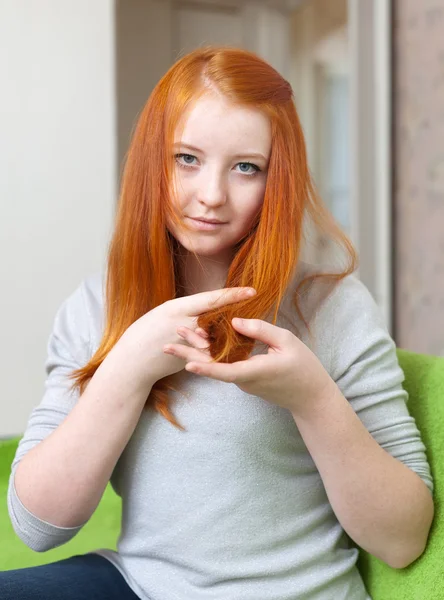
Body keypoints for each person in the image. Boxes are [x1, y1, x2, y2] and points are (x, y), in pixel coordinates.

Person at [3, 47, 433, 600]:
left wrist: (312, 399)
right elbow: (37, 526)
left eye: (246, 168)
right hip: (140, 585)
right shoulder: (96, 306)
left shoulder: (334, 307)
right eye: (186, 158)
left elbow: (402, 540)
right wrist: (128, 366)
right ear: (152, 160)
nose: (211, 195)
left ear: (276, 182)